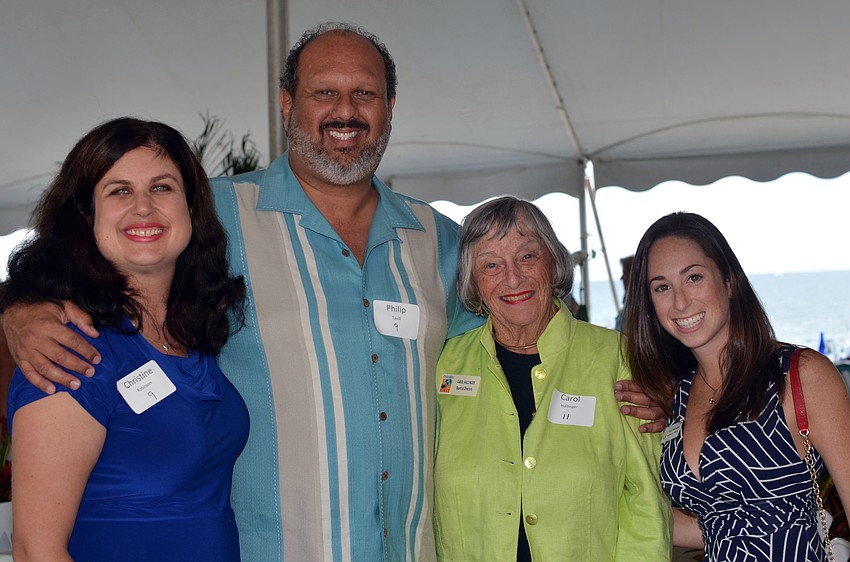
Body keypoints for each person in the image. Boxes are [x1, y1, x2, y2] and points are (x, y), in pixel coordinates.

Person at [0, 23, 663, 562]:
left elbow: (528, 333)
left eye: (364, 94)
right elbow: (100, 251)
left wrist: (642, 388)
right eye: (324, 93)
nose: (345, 111)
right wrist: (17, 310)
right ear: (288, 104)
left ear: (389, 109)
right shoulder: (212, 217)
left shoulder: (445, 240)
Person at [2, 118, 248, 561]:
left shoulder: (196, 337)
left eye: (162, 187)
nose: (143, 208)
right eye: (119, 191)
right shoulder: (69, 350)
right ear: (85, 217)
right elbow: (36, 550)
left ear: (191, 207)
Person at [433, 196, 671, 561]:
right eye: (491, 265)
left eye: (527, 256)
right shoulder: (443, 364)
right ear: (472, 284)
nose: (513, 277)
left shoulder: (617, 358)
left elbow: (645, 503)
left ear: (553, 263)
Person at [623, 212, 850, 561]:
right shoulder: (678, 397)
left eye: (694, 277)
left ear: (729, 281)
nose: (680, 302)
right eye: (662, 287)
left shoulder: (800, 375)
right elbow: (717, 522)